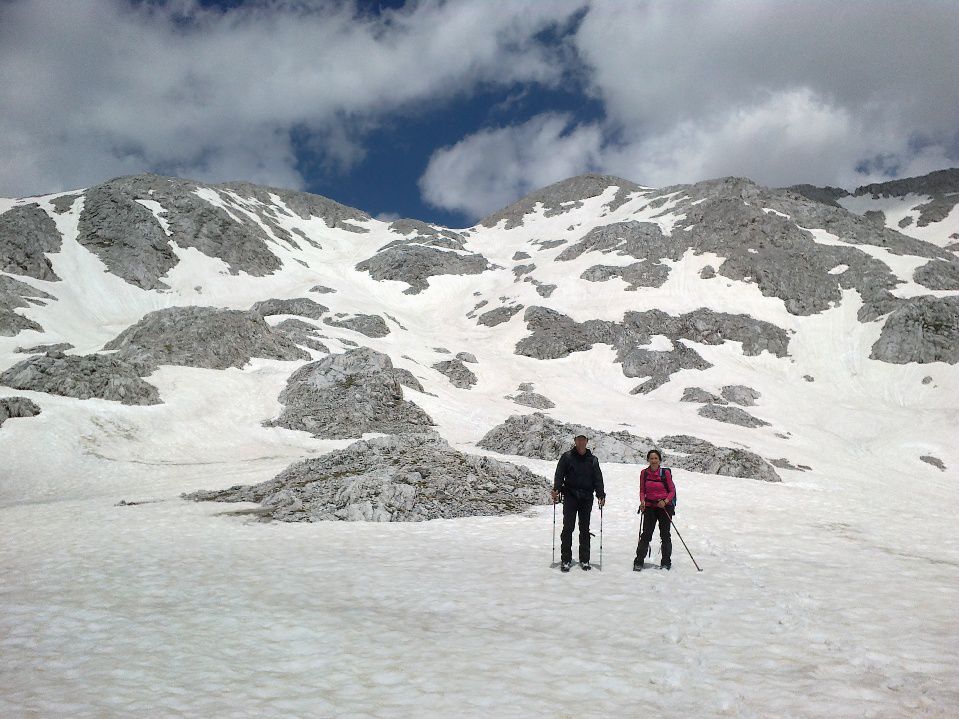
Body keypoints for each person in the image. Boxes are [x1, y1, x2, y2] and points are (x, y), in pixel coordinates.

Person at [552, 433, 606, 572]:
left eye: (583, 440)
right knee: (568, 528)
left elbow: (597, 478)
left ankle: (585, 559)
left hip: (587, 497)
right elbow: (559, 474)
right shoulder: (567, 457)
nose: (581, 442)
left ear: (587, 442)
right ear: (575, 441)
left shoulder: (592, 460)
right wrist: (556, 489)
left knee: (584, 529)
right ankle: (566, 559)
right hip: (570, 496)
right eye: (578, 440)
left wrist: (601, 494)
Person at [634, 449, 675, 571]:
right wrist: (642, 501)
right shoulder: (644, 473)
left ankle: (666, 562)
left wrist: (665, 501)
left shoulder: (665, 473)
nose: (653, 461)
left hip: (664, 507)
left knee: (665, 535)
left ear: (659, 460)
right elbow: (642, 490)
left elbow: (672, 491)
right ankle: (639, 561)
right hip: (650, 506)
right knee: (646, 534)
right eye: (651, 458)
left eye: (656, 458)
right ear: (648, 460)